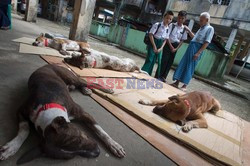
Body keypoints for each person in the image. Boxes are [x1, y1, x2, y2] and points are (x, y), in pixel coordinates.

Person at [171, 12, 214, 91]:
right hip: (191, 47)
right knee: (183, 64)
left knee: (190, 66)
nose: (200, 22)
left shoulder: (210, 29)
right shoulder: (201, 28)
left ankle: (184, 85)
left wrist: (198, 53)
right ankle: (177, 82)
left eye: (201, 20)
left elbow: (207, 42)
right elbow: (194, 38)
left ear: (207, 20)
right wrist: (189, 31)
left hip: (197, 49)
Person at [156, 10, 188, 82]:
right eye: (179, 18)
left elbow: (182, 40)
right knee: (164, 60)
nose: (180, 20)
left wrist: (176, 49)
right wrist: (170, 46)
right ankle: (158, 75)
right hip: (168, 44)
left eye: (182, 18)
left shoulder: (184, 29)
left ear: (185, 19)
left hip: (175, 47)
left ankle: (164, 77)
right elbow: (167, 36)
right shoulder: (172, 25)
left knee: (169, 62)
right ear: (177, 17)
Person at [141, 11, 174, 77]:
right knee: (150, 59)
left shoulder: (168, 28)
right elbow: (151, 35)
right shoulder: (157, 24)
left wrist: (161, 48)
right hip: (153, 42)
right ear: (164, 17)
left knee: (155, 61)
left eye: (170, 19)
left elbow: (166, 40)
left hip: (161, 44)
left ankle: (148, 75)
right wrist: (154, 46)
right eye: (167, 18)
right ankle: (142, 73)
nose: (168, 20)